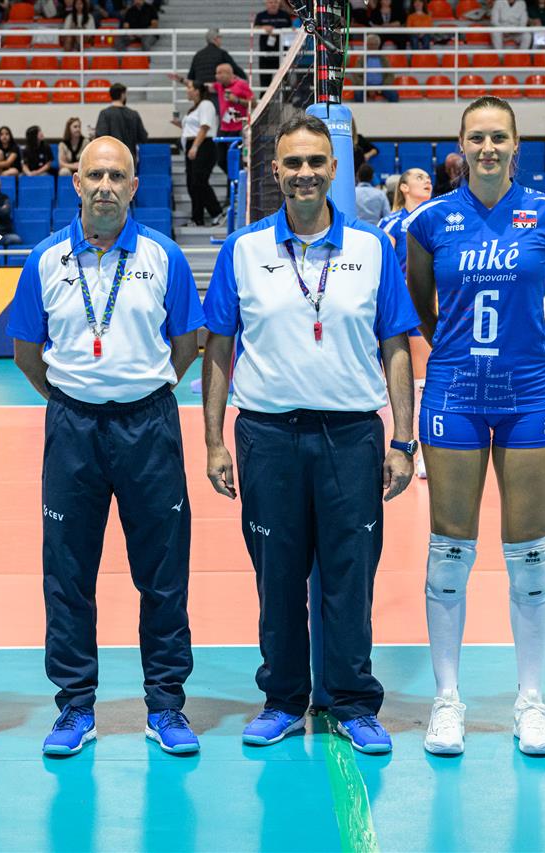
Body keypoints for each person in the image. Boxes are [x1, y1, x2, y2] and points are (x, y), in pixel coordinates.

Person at [201, 114, 419, 755]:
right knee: (277, 577)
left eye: (316, 162)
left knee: (351, 576)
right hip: (266, 436)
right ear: (275, 171)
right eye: (293, 163)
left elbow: (396, 346)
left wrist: (402, 441)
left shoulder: (372, 248)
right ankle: (282, 699)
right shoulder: (243, 249)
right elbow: (219, 347)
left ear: (334, 168)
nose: (304, 174)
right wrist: (214, 440)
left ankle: (353, 701)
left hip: (352, 436)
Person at [7, 137, 205, 757]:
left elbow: (188, 342)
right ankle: (75, 706)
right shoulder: (45, 260)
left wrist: (145, 388)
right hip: (73, 428)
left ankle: (166, 705)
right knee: (67, 573)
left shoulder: (163, 256)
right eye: (94, 174)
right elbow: (26, 353)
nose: (105, 186)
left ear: (134, 185)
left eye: (117, 176)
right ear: (76, 181)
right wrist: (74, 397)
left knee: (163, 573)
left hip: (149, 426)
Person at [404, 95, 545, 758]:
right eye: (476, 137)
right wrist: (456, 352)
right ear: (460, 145)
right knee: (450, 551)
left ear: (515, 145)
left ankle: (530, 700)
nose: (487, 148)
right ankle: (447, 699)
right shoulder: (429, 221)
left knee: (529, 551)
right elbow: (423, 306)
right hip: (455, 391)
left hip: (528, 393)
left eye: (498, 137)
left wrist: (526, 352)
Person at [379, 166, 434, 480]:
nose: (427, 180)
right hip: (401, 311)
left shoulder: (437, 217)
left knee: (426, 384)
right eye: (419, 177)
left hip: (429, 308)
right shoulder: (392, 223)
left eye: (428, 177)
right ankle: (401, 448)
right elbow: (381, 264)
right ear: (403, 187)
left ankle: (426, 453)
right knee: (402, 384)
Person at [174, 81, 224, 227]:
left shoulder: (206, 104)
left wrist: (195, 146)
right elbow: (193, 128)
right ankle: (197, 218)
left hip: (203, 146)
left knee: (199, 181)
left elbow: (205, 127)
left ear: (197, 91)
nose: (187, 90)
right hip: (192, 145)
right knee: (192, 184)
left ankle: (217, 212)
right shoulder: (193, 109)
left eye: (190, 88)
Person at [213, 64, 254, 180]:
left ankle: (236, 182)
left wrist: (237, 100)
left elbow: (253, 103)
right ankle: (233, 179)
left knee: (236, 160)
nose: (216, 76)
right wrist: (181, 80)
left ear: (228, 73)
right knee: (221, 160)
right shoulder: (219, 86)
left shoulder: (241, 85)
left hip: (237, 128)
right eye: (216, 73)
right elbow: (202, 87)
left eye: (219, 73)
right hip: (223, 128)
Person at [93, 83, 149, 164]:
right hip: (129, 159)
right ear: (122, 95)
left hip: (110, 159)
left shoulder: (104, 113)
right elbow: (143, 137)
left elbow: (100, 138)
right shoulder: (133, 114)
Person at [254, 0, 293, 89]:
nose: (273, 4)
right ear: (266, 4)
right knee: (265, 82)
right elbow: (255, 28)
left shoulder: (285, 15)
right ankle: (264, 97)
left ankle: (285, 97)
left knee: (284, 81)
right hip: (265, 53)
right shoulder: (261, 15)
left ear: (279, 3)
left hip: (282, 53)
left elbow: (291, 29)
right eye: (270, 2)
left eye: (275, 2)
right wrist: (263, 27)